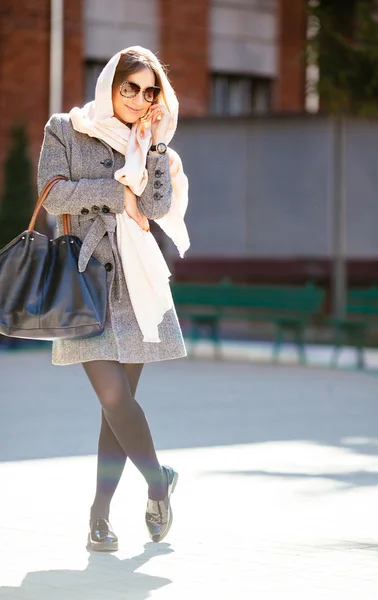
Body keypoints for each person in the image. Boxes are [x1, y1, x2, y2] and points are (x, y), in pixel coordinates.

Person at [37, 46, 190, 552]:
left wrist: (158, 150)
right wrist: (114, 190)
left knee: (116, 410)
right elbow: (54, 193)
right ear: (110, 85)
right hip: (85, 279)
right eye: (131, 87)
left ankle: (98, 518)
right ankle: (158, 483)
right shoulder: (65, 127)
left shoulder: (149, 142)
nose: (140, 99)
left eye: (150, 91)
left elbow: (157, 206)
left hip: (137, 281)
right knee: (112, 396)